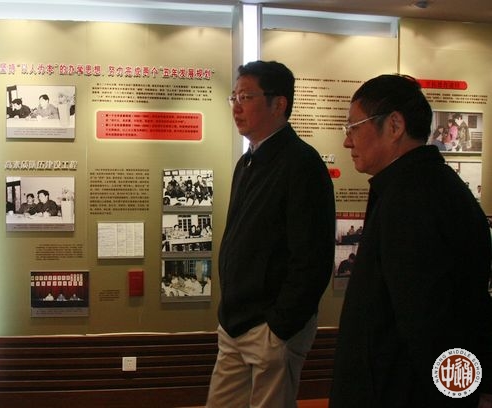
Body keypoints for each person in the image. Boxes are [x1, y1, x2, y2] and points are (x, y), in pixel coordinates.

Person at [330, 74, 492, 407]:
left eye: (353, 127)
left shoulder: (413, 200)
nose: (347, 142)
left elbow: (429, 323)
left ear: (394, 125)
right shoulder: (421, 186)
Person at [206, 60, 335, 408]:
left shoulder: (302, 163)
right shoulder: (247, 162)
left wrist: (280, 326)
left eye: (246, 97)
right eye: (234, 97)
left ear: (279, 104)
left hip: (271, 328)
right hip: (234, 323)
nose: (236, 106)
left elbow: (313, 257)